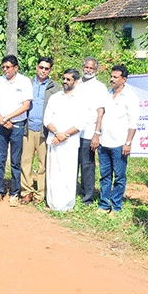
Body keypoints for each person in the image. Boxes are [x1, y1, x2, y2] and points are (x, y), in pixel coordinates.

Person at [0, 55, 32, 206]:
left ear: (16, 68)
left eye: (8, 67)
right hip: (1, 125)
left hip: (16, 126)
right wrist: (1, 119)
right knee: (0, 160)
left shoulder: (24, 81)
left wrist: (8, 118)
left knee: (15, 161)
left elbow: (26, 105)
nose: (5, 70)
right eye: (3, 67)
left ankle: (15, 194)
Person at [97, 64, 139, 215]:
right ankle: (103, 205)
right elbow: (101, 115)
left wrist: (128, 143)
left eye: (115, 77)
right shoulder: (107, 94)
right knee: (105, 175)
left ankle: (116, 206)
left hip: (119, 144)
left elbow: (133, 122)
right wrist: (97, 134)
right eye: (111, 76)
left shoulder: (130, 97)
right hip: (104, 142)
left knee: (119, 176)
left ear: (124, 79)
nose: (111, 79)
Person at [21, 57, 60, 205]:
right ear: (37, 67)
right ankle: (26, 192)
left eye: (47, 68)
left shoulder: (55, 88)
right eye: (41, 67)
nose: (43, 70)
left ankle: (40, 194)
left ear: (50, 70)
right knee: (26, 162)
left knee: (43, 164)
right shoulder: (27, 84)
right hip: (28, 129)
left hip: (45, 131)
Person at [43, 69, 83, 211]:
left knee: (69, 174)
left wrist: (63, 135)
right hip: (54, 140)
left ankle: (67, 205)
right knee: (53, 173)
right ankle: (52, 203)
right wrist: (56, 133)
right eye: (64, 79)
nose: (65, 82)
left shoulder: (80, 100)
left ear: (76, 82)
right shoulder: (55, 97)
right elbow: (47, 119)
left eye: (68, 79)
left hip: (70, 143)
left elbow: (80, 123)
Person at [77, 56, 107, 205]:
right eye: (86, 67)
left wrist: (97, 133)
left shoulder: (100, 87)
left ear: (96, 70)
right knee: (73, 163)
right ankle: (72, 192)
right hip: (74, 132)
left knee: (87, 165)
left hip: (89, 132)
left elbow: (100, 111)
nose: (88, 70)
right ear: (82, 67)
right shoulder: (76, 84)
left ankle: (87, 198)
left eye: (91, 68)